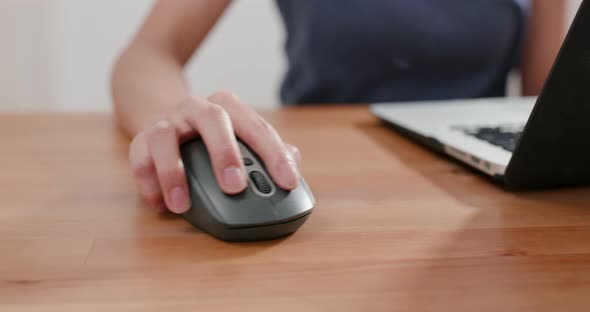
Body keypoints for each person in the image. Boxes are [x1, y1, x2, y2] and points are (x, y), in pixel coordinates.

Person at [111, 0, 566, 214]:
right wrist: (170, 115)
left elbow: (546, 101)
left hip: (477, 197)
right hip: (314, 179)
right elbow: (147, 54)